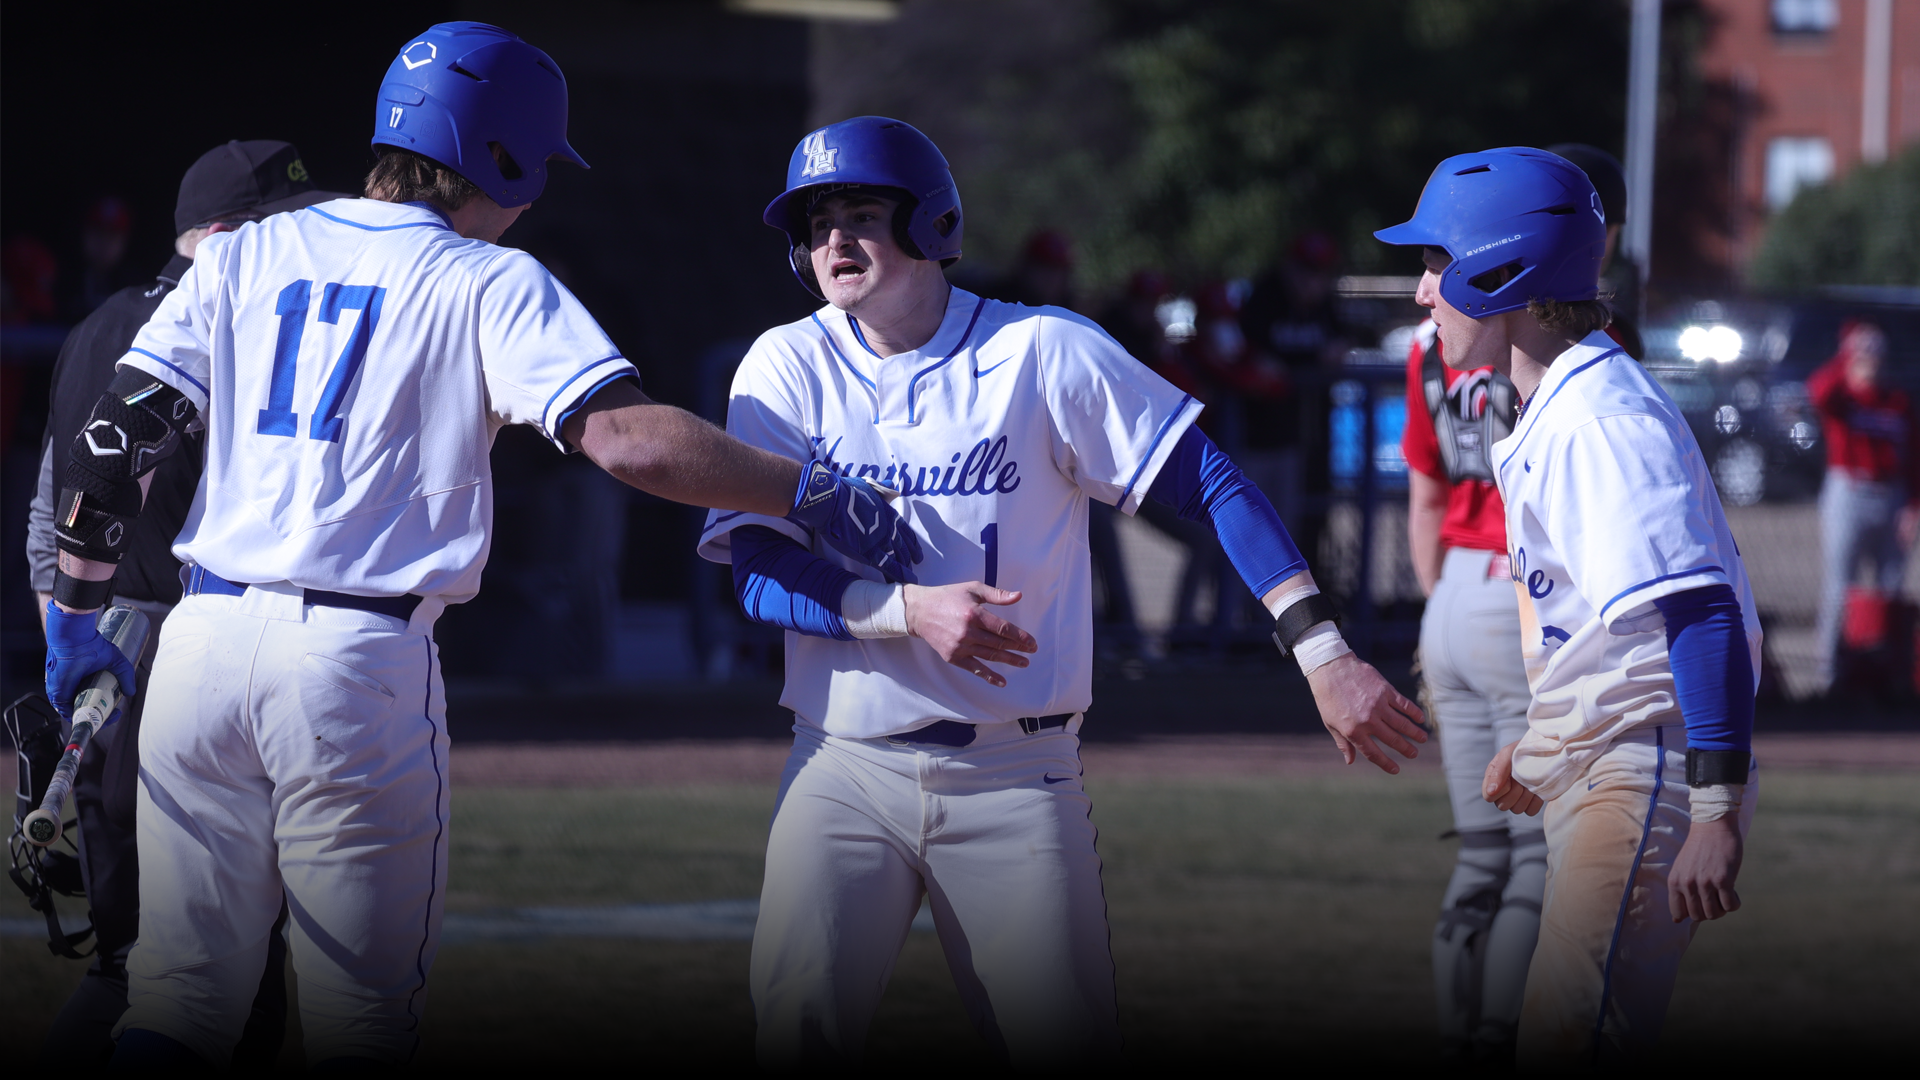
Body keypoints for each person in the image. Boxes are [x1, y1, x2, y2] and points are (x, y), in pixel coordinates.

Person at [41, 23, 919, 1069]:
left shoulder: (246, 249)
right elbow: (626, 439)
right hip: (354, 661)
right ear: (497, 157)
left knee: (179, 1003)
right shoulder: (488, 278)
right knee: (363, 1020)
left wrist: (74, 618)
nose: (535, 194)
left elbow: (109, 445)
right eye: (534, 165)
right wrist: (805, 488)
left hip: (201, 644)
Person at [699, 115, 1428, 1067]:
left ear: (931, 223)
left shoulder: (1043, 349)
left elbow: (1214, 486)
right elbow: (756, 571)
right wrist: (905, 612)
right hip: (841, 768)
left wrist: (1323, 653)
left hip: (1016, 773)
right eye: (817, 222)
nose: (835, 240)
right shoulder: (784, 364)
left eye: (863, 214)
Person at [1378, 147, 1760, 1065]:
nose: (1422, 293)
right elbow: (1599, 623)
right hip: (1613, 764)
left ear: (1500, 272)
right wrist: (1548, 737)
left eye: (1436, 263)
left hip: (1646, 773)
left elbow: (1701, 613)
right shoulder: (1558, 401)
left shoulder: (1599, 419)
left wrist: (1715, 809)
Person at [23, 138, 347, 1069]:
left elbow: (48, 519)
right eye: (277, 225)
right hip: (202, 664)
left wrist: (71, 648)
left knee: (130, 966)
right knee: (219, 983)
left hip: (104, 664)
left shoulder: (95, 326)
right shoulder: (240, 326)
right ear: (223, 235)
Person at [1402, 140, 1635, 1065]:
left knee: (1476, 852)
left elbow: (1425, 495)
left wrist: (1435, 609)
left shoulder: (1432, 349)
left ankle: (1456, 1025)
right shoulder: (1571, 349)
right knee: (1536, 855)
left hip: (1450, 595)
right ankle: (1498, 1034)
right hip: (1522, 596)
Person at [1806, 320, 1919, 694]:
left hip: (1892, 495)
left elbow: (1913, 456)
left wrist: (1913, 506)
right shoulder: (1842, 397)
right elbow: (1817, 392)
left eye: (1875, 352)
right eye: (1864, 352)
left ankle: (1889, 672)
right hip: (1849, 491)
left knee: (1891, 585)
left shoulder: (1896, 400)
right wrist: (1846, 358)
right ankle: (1830, 674)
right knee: (1840, 584)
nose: (1871, 359)